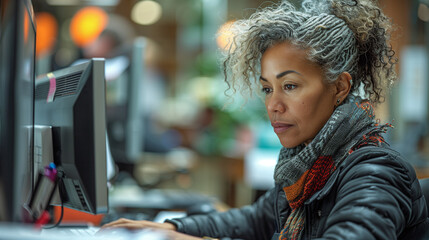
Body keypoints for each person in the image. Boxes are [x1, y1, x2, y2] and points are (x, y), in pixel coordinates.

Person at [101, 0, 429, 239]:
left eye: (290, 86)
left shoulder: (375, 172)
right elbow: (256, 220)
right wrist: (172, 227)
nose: (274, 104)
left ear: (340, 87)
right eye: (267, 88)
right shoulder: (308, 162)